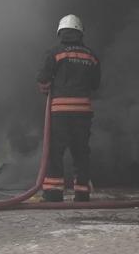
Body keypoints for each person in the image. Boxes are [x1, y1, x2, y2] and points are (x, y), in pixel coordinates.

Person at [36, 14, 101, 202]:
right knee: (81, 151)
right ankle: (82, 192)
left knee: (55, 151)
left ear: (60, 32)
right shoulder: (91, 56)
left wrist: (47, 85)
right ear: (80, 33)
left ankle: (53, 193)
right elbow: (95, 84)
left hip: (60, 112)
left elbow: (43, 78)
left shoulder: (54, 53)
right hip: (83, 112)